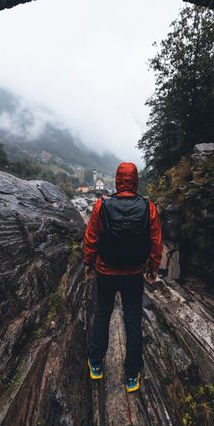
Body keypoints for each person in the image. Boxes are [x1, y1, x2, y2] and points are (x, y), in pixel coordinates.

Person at [83, 162, 162, 393]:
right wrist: (153, 268)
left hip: (105, 272)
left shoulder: (102, 205)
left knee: (102, 315)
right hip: (133, 274)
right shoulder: (149, 207)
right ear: (135, 180)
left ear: (117, 179)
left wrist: (88, 262)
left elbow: (91, 238)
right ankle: (130, 376)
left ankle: (96, 364)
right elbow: (156, 242)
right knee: (133, 321)